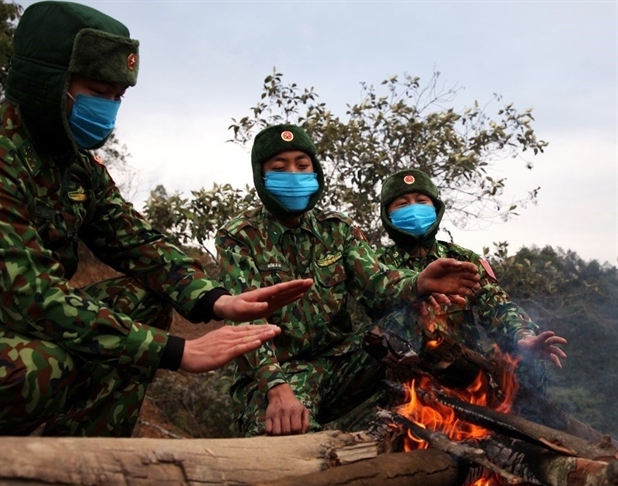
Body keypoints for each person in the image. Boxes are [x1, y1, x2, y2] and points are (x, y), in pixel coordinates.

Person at [0, 1, 313, 437]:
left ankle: (84, 459)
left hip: (12, 322)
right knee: (41, 366)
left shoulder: (76, 165)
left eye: (118, 98)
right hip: (6, 319)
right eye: (98, 93)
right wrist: (176, 352)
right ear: (47, 81)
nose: (109, 109)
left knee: (145, 298)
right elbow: (35, 297)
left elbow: (138, 242)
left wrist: (215, 301)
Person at [215, 124, 482, 437]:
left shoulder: (337, 229)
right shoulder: (239, 236)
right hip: (280, 375)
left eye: (303, 166)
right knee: (285, 443)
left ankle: (433, 411)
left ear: (316, 172)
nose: (293, 175)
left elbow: (376, 283)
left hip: (342, 362)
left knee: (412, 319)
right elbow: (245, 322)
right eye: (279, 168)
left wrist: (420, 282)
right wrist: (276, 389)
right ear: (261, 176)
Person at [377, 168, 567, 391]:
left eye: (421, 201)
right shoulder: (376, 265)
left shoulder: (462, 260)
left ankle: (535, 422)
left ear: (436, 209)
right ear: (388, 214)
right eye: (402, 204)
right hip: (409, 386)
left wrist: (522, 335)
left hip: (464, 378)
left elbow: (497, 306)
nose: (414, 209)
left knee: (525, 361)